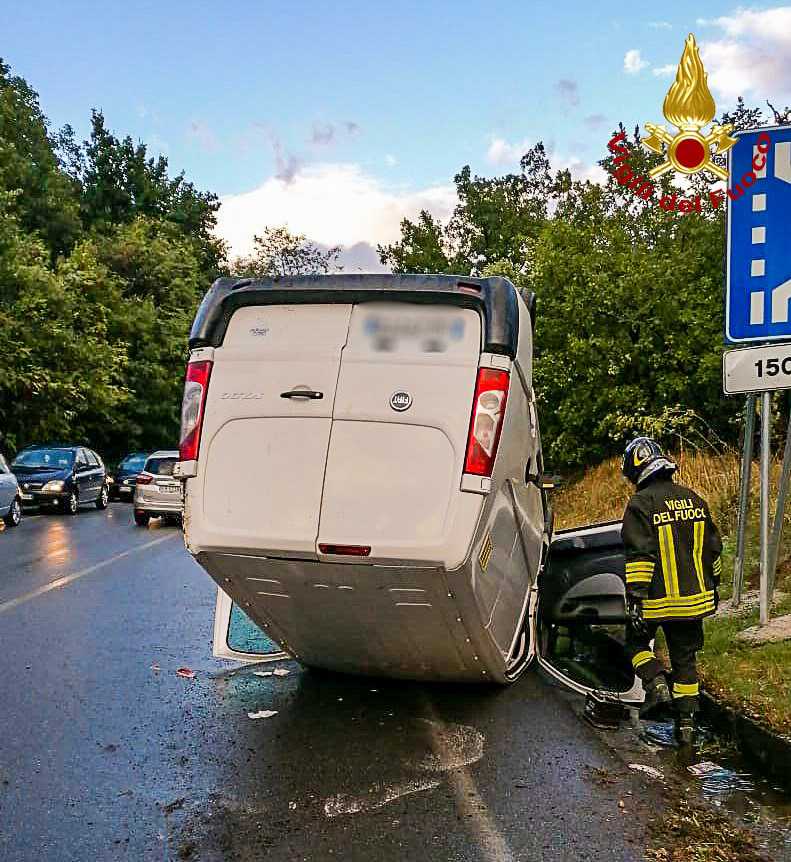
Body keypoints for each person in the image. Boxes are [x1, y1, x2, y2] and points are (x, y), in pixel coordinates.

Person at [620, 437, 723, 745]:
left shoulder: (641, 505)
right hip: (695, 602)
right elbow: (714, 551)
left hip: (656, 601)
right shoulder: (694, 498)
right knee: (686, 661)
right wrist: (714, 587)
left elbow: (641, 555)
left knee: (635, 645)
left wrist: (636, 599)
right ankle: (687, 728)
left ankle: (656, 683)